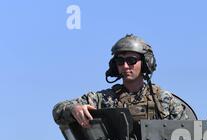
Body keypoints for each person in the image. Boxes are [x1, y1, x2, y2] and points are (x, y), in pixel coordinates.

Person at [53, 34, 187, 128]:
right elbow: (57, 111)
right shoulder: (103, 99)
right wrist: (73, 109)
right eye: (120, 61)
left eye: (131, 60)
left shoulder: (164, 101)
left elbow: (188, 137)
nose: (126, 66)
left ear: (146, 63)